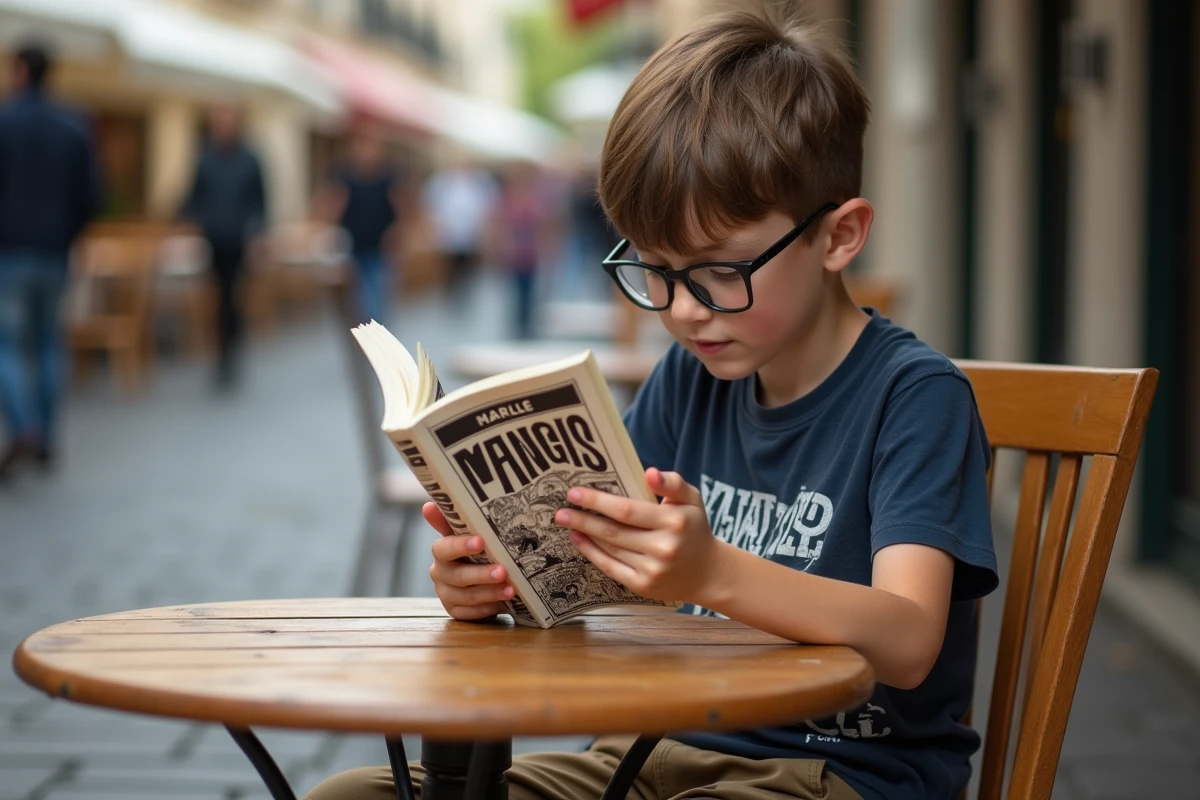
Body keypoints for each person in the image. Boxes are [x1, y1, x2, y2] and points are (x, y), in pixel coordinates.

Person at [306, 5, 997, 800]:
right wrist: (489, 581)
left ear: (839, 236)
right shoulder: (686, 379)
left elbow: (909, 639)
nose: (681, 310)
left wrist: (711, 571)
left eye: (717, 272)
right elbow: (593, 572)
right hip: (641, 754)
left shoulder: (914, 398)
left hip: (833, 772)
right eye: (655, 271)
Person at [0, 42, 99, 479]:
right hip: (56, 253)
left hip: (10, 251)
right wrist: (66, 236)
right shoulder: (73, 125)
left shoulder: (3, 121)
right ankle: (47, 438)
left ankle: (26, 426)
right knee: (47, 342)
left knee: (7, 343)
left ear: (20, 70)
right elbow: (90, 198)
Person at [179, 104, 266, 389]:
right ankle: (220, 353)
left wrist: (258, 234)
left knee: (232, 297)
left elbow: (260, 202)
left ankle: (231, 353)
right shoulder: (205, 158)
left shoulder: (250, 159)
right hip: (212, 238)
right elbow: (193, 197)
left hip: (238, 239)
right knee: (216, 299)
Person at [315, 126, 403, 324]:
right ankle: (363, 334)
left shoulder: (389, 174)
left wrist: (398, 231)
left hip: (381, 247)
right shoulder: (343, 174)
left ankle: (376, 336)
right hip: (351, 246)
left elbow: (402, 205)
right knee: (355, 299)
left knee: (377, 298)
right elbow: (329, 204)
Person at [420, 157, 499, 302]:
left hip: (471, 234)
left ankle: (463, 292)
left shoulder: (480, 182)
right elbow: (432, 206)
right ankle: (451, 292)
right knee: (451, 265)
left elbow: (488, 208)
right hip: (449, 233)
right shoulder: (443, 181)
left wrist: (486, 231)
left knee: (467, 265)